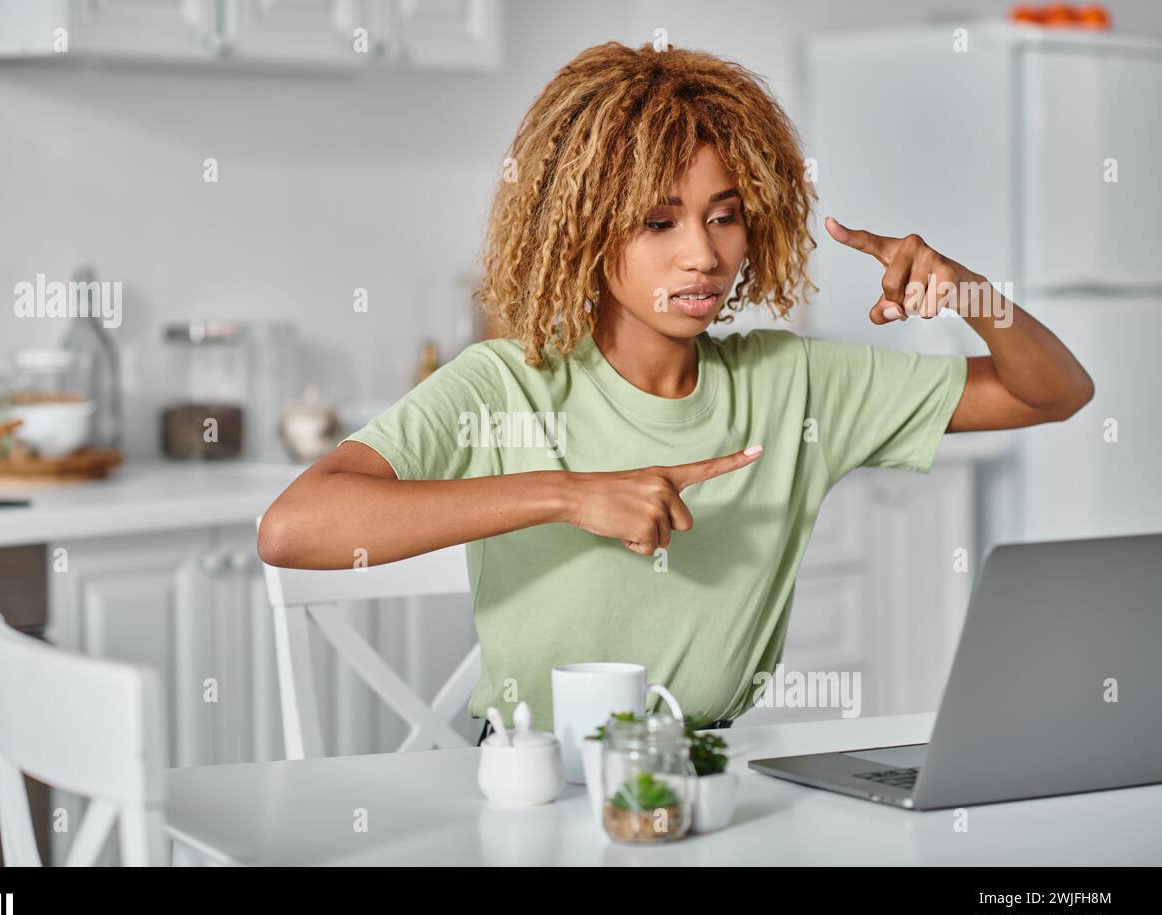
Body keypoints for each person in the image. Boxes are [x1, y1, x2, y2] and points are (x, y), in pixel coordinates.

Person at [258, 41, 1094, 737]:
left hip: (715, 776)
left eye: (723, 215)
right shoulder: (509, 382)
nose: (702, 253)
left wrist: (972, 293)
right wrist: (566, 496)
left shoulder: (794, 381)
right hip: (533, 779)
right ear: (581, 227)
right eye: (659, 222)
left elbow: (1052, 393)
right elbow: (295, 527)